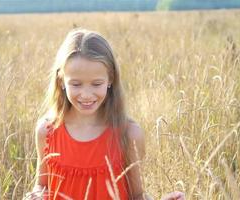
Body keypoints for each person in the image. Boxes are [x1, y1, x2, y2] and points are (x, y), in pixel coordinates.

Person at [27, 29, 185, 200]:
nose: (86, 94)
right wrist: (36, 196)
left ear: (110, 79)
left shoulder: (128, 134)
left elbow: (137, 195)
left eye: (96, 84)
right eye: (76, 84)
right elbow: (42, 184)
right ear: (61, 81)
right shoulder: (47, 131)